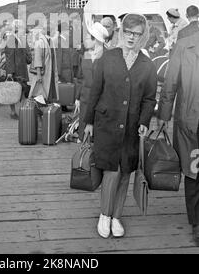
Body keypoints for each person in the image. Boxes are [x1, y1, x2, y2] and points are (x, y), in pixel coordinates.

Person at [83, 14, 157, 239]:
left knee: (126, 172)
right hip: (106, 124)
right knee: (111, 171)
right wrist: (88, 122)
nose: (132, 38)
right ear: (121, 32)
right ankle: (104, 215)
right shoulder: (108, 58)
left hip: (132, 129)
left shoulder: (147, 65)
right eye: (128, 32)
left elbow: (149, 99)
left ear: (142, 36)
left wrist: (144, 122)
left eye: (137, 34)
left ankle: (116, 216)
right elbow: (95, 90)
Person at [157, 31, 199, 246]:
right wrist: (164, 116)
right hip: (190, 123)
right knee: (193, 171)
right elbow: (170, 84)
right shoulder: (184, 46)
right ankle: (197, 223)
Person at [75, 22, 108, 140]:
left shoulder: (107, 56)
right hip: (85, 97)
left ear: (96, 40)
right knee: (83, 126)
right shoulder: (85, 55)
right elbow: (80, 77)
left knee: (98, 131)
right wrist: (77, 97)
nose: (85, 41)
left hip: (101, 99)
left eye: (88, 38)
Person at [5, 20, 32, 119]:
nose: (24, 31)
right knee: (13, 91)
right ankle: (13, 112)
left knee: (22, 90)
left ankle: (21, 111)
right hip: (15, 70)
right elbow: (9, 58)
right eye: (23, 28)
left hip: (22, 69)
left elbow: (26, 56)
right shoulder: (11, 40)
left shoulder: (20, 39)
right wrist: (10, 73)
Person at [29, 23, 59, 104]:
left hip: (50, 72)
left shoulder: (50, 41)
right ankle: (39, 113)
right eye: (52, 30)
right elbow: (37, 59)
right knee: (40, 95)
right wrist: (38, 74)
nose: (54, 32)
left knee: (48, 93)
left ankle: (46, 113)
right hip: (43, 73)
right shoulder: (39, 42)